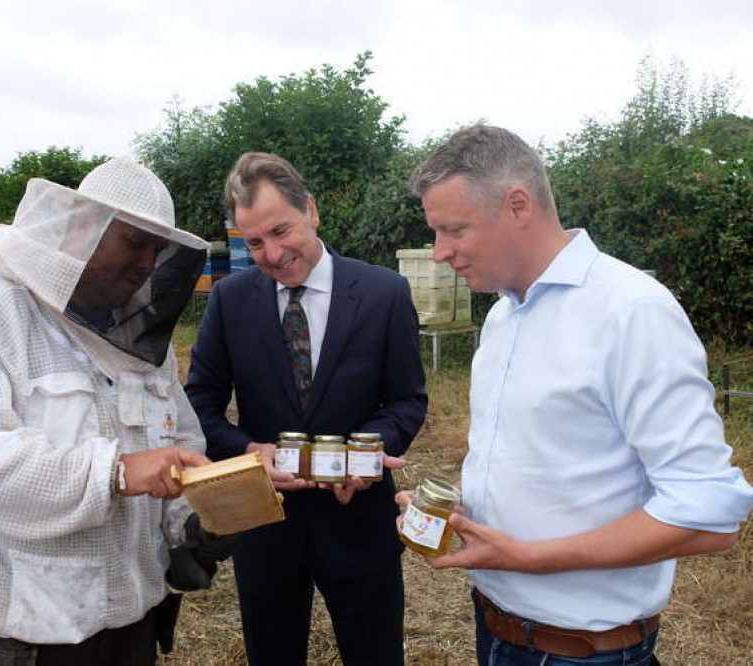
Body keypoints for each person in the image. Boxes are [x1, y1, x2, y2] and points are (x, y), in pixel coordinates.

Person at [400, 123, 753, 666]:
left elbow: (707, 512)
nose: (440, 252)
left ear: (518, 204)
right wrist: (454, 512)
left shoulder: (631, 312)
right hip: (497, 624)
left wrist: (531, 557)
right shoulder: (501, 316)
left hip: (582, 652)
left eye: (454, 230)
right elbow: (543, 465)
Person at [0, 158, 223, 665]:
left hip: (133, 625)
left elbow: (183, 446)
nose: (148, 264)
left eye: (157, 249)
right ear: (81, 227)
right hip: (25, 639)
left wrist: (199, 517)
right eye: (135, 243)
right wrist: (115, 473)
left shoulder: (145, 344)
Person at [185, 152, 428, 665]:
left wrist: (361, 458)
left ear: (311, 211)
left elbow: (407, 401)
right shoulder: (230, 301)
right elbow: (198, 406)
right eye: (254, 242)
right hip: (266, 530)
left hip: (359, 523)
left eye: (281, 230)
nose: (272, 253)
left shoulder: (385, 293)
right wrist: (250, 451)